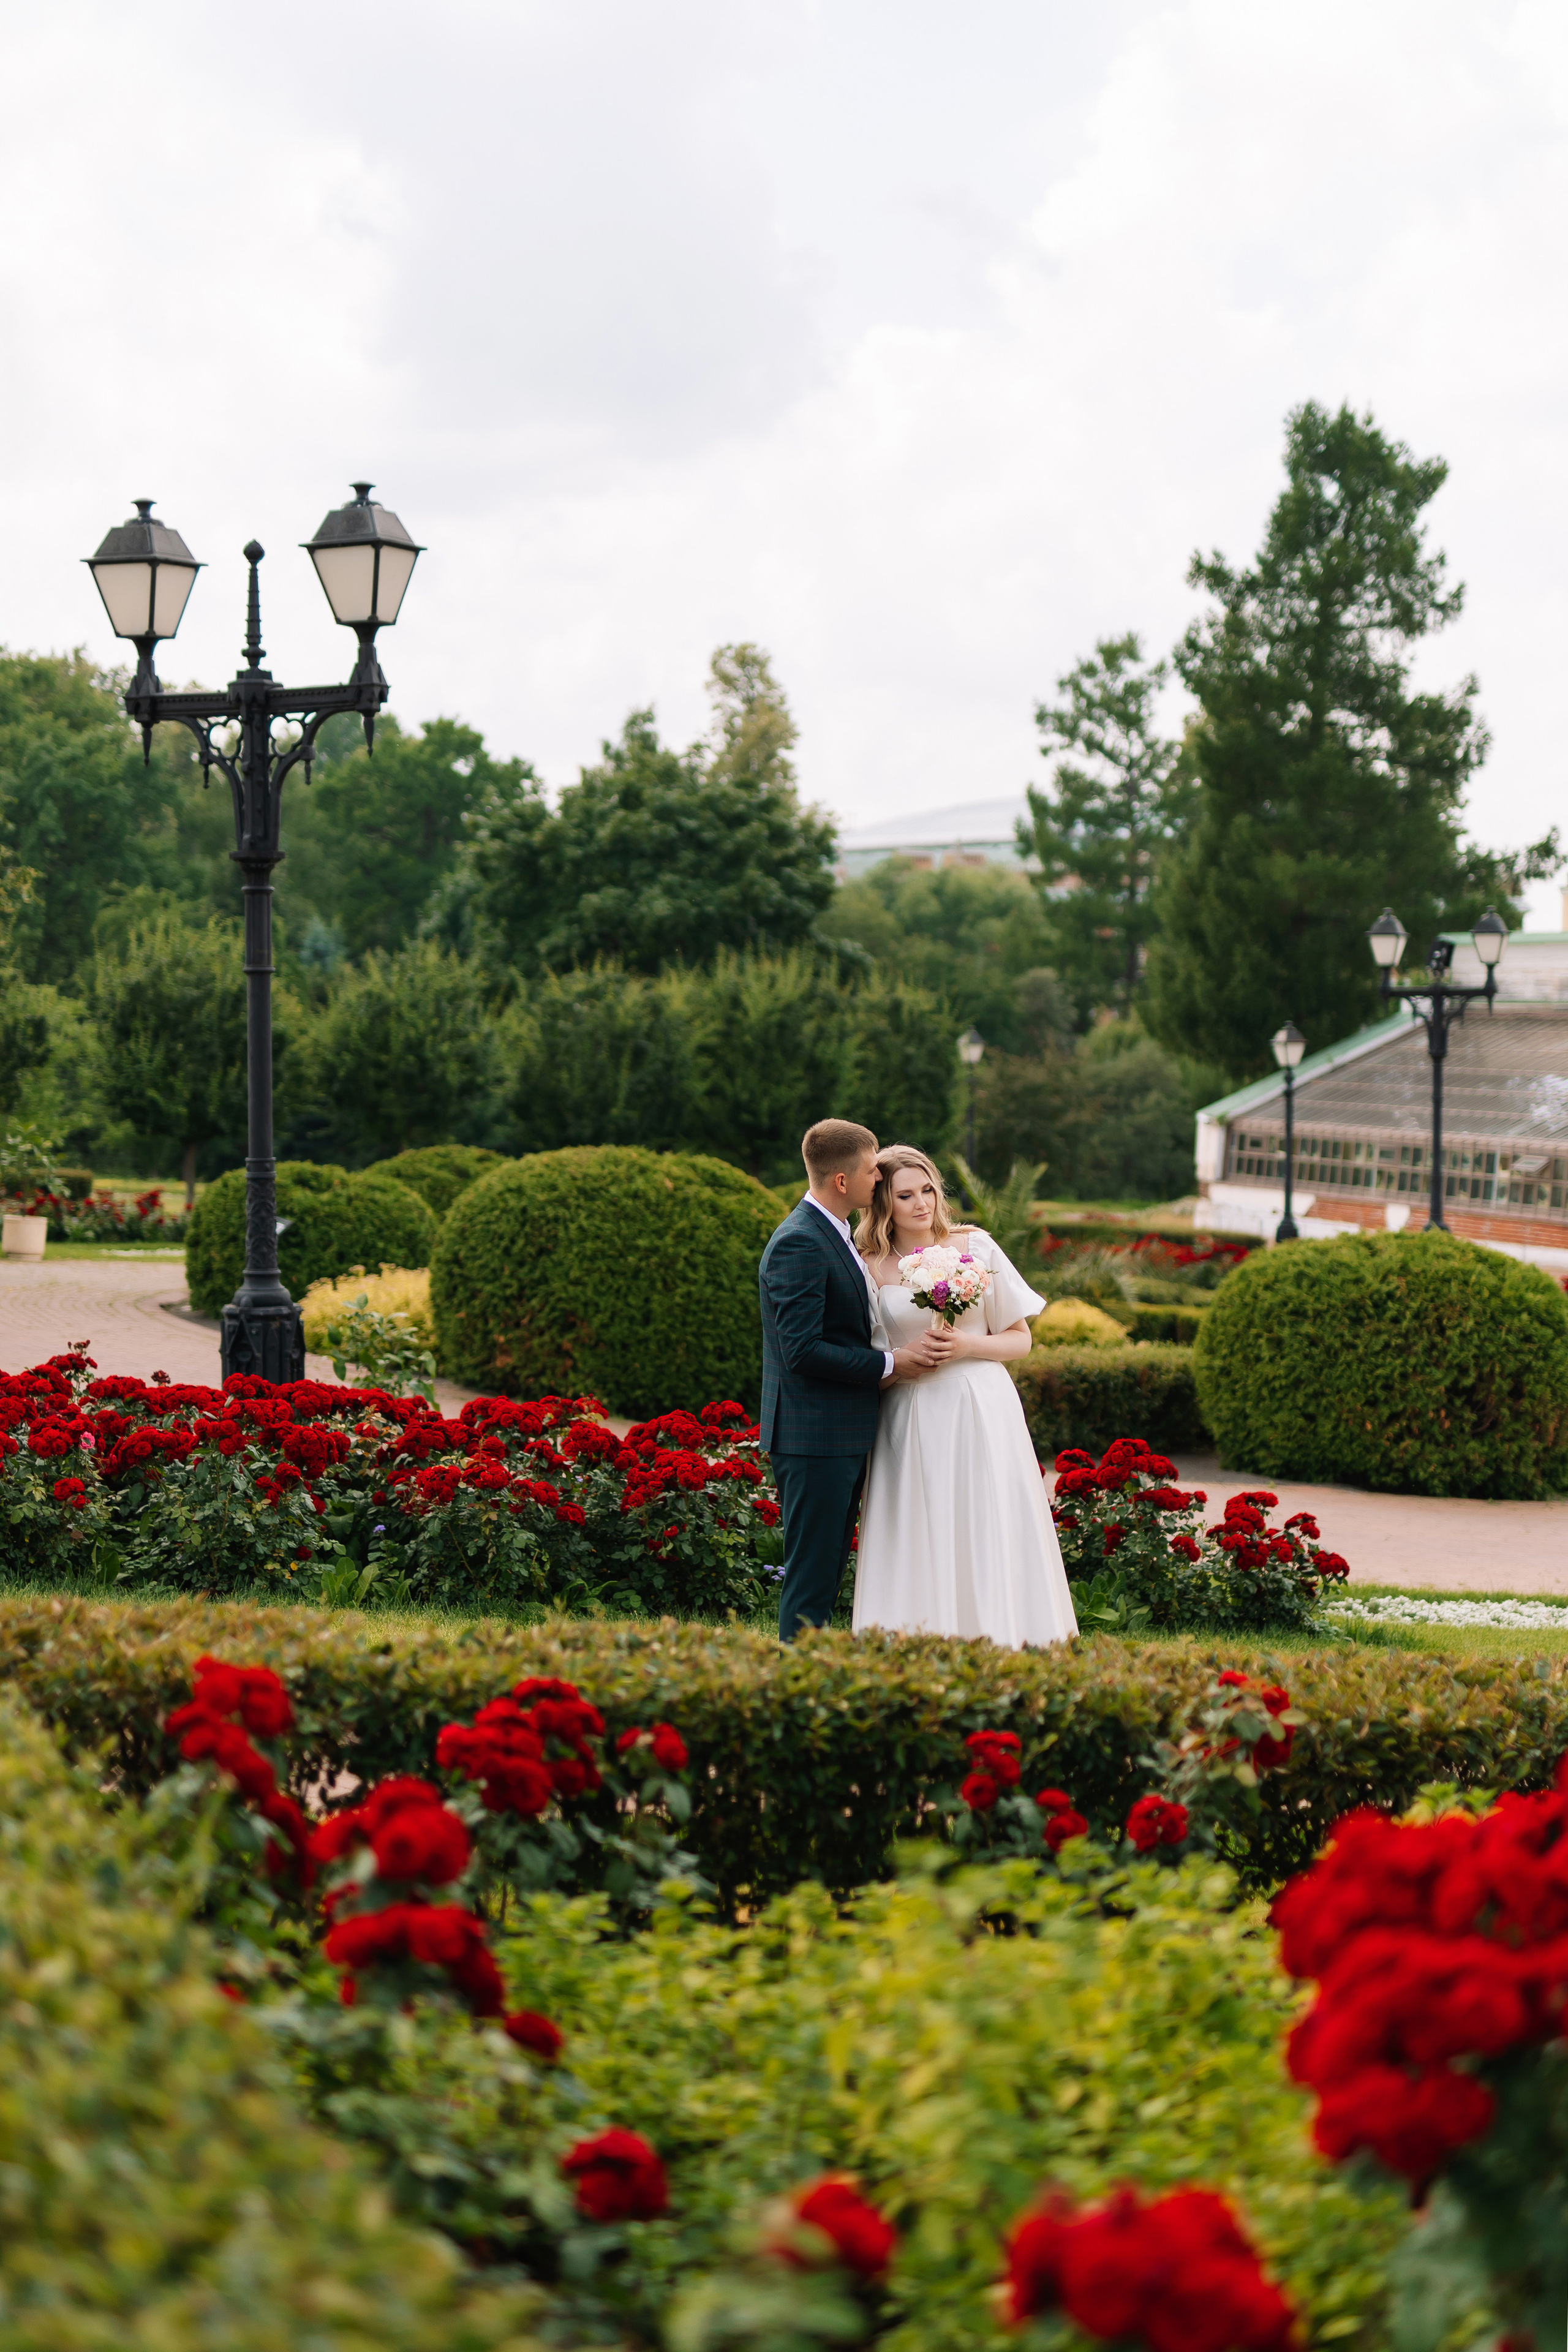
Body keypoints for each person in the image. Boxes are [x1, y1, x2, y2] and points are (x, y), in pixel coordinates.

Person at [852, 1143, 1077, 1646]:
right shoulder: (867, 1265)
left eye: (927, 1189)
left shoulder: (976, 1246)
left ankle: (1005, 1633)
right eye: (904, 1194)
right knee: (917, 1524)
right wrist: (903, 1365)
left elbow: (1021, 1340)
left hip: (981, 1403)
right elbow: (872, 1355)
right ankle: (913, 1634)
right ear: (883, 1201)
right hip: (909, 1409)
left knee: (985, 1516)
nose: (920, 1203)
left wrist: (964, 1345)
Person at [758, 1120, 946, 1641]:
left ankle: (809, 1671)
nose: (879, 1175)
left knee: (825, 1569)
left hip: (836, 1434)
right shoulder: (800, 1241)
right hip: (813, 1437)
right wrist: (892, 1364)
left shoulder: (833, 1232)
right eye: (871, 1169)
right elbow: (802, 1351)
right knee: (812, 1574)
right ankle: (796, 1679)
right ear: (843, 1182)